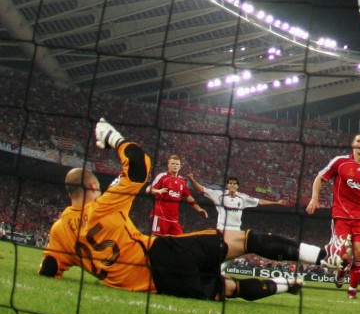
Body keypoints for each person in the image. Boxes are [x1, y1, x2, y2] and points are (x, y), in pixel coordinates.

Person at [40, 119, 332, 301]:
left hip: (158, 286)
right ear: (93, 186)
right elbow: (139, 165)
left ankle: (286, 285)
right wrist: (113, 138)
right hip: (162, 254)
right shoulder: (105, 204)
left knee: (230, 289)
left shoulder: (59, 231)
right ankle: (322, 257)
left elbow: (50, 269)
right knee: (247, 240)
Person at [306, 133, 360, 300]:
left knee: (359, 252)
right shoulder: (340, 162)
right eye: (358, 141)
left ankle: (352, 291)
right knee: (344, 256)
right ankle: (341, 272)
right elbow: (320, 178)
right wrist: (314, 198)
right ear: (353, 144)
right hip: (341, 216)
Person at [189, 175, 286, 232]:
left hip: (236, 229)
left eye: (234, 184)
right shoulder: (219, 195)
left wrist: (276, 203)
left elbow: (260, 201)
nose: (232, 185)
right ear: (227, 185)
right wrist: (192, 180)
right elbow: (203, 189)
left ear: (237, 186)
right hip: (222, 228)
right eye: (230, 183)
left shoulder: (243, 198)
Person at [146, 155, 207, 235]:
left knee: (180, 240)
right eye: (173, 163)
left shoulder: (182, 181)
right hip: (160, 216)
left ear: (180, 166)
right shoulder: (162, 176)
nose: (175, 166)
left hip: (174, 219)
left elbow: (189, 197)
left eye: (177, 164)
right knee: (156, 239)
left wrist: (199, 209)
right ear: (168, 165)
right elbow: (148, 189)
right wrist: (158, 191)